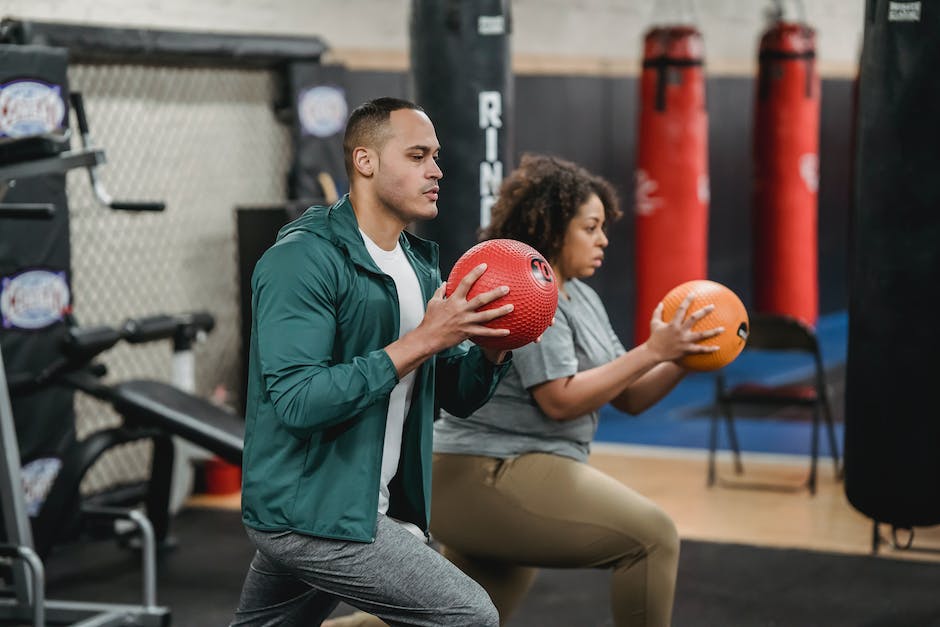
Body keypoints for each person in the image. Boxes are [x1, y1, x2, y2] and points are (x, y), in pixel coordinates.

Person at [326, 153, 721, 627]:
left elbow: (630, 395)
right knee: (653, 537)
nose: (603, 240)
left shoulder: (584, 296)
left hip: (519, 470)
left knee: (459, 618)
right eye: (590, 227)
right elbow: (561, 400)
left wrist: (684, 355)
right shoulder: (530, 292)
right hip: (483, 472)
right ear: (554, 228)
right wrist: (653, 350)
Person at [230, 97, 517, 627]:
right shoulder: (301, 259)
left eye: (436, 157)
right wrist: (424, 340)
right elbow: (299, 400)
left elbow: (456, 393)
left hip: (360, 501)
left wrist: (495, 346)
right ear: (365, 162)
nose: (437, 170)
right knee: (469, 616)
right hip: (310, 513)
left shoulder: (419, 266)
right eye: (417, 156)